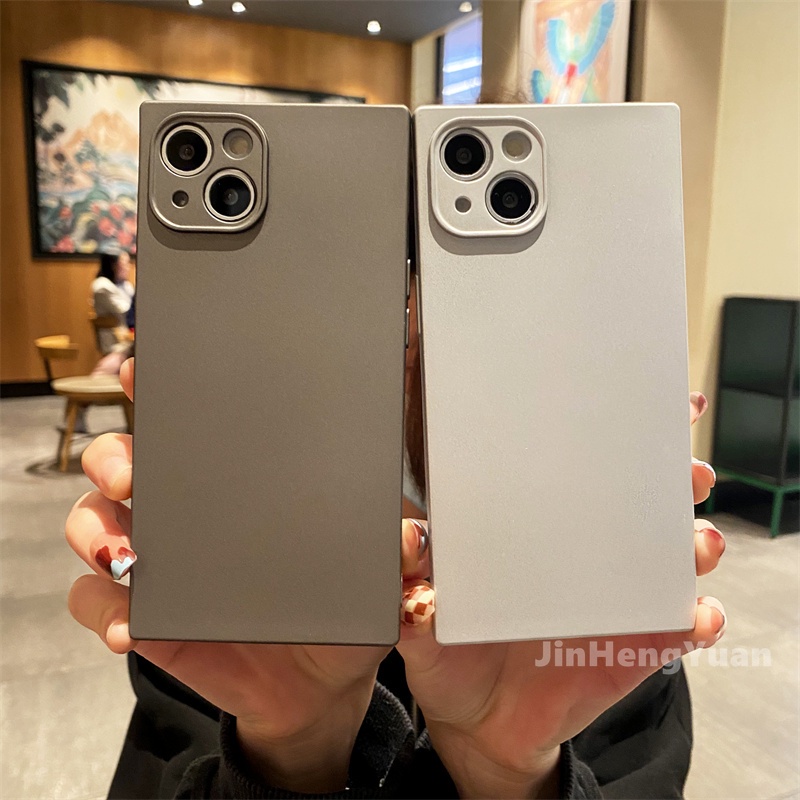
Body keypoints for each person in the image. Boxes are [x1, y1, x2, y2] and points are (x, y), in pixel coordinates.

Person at [65, 254, 725, 798]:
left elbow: (641, 770)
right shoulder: (222, 560)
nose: (402, 333)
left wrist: (508, 772)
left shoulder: (598, 574)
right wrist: (290, 749)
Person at [91, 252, 135, 375]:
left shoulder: (125, 285)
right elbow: (127, 310)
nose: (128, 267)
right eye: (124, 264)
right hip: (114, 340)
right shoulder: (102, 285)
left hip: (128, 336)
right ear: (113, 265)